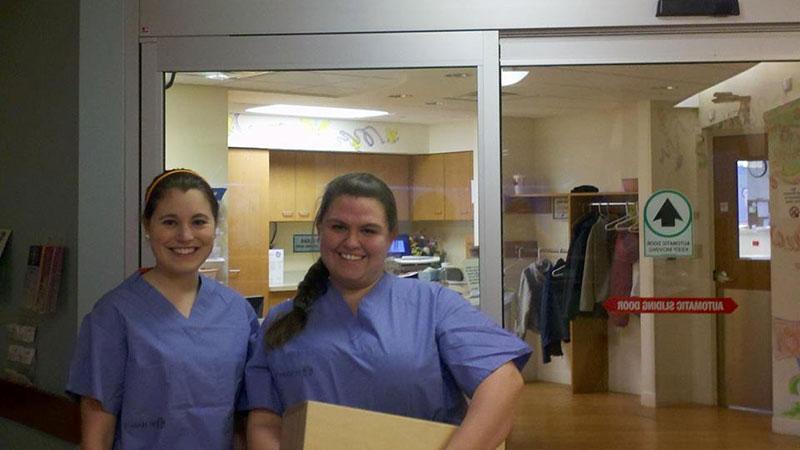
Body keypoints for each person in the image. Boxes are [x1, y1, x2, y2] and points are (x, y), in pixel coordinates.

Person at [245, 173, 531, 450]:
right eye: (338, 227)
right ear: (320, 228)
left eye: (368, 230)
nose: (352, 242)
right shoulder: (282, 322)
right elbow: (264, 424)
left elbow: (503, 383)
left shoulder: (433, 306)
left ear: (390, 235)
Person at [67, 169, 259, 450]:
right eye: (169, 222)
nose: (185, 235)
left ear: (214, 227)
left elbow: (246, 419)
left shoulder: (237, 313)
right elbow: (98, 431)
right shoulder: (114, 315)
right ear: (147, 226)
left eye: (199, 222)